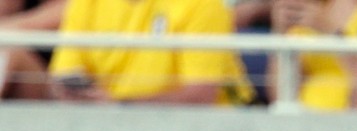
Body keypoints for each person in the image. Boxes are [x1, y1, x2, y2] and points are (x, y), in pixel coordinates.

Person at [47, 0, 254, 103]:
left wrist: (121, 109)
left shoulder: (202, 4)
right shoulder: (86, 3)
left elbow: (200, 95)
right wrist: (79, 93)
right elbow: (63, 72)